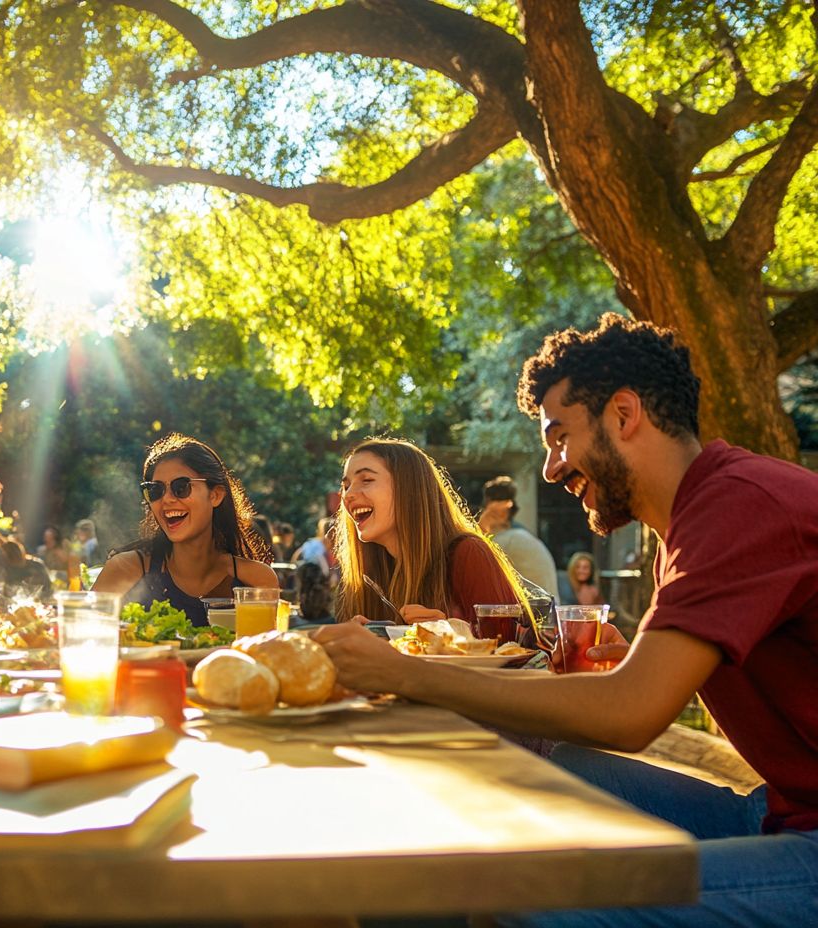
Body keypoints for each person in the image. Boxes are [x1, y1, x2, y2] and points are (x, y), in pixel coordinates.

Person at [316, 314, 818, 925]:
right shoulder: (687, 528)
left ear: (624, 415)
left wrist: (404, 672)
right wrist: (632, 662)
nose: (551, 467)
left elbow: (631, 714)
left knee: (529, 894)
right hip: (778, 808)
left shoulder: (737, 504)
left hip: (807, 841)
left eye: (558, 436)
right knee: (546, 771)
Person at [334, 439, 531, 628]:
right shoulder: (365, 577)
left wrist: (450, 633)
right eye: (345, 485)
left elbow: (519, 648)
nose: (348, 495)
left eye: (366, 480)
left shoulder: (467, 553)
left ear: (410, 488)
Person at [91, 433, 277, 626]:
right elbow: (83, 638)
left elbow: (262, 651)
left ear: (215, 495)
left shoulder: (256, 581)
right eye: (155, 490)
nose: (167, 499)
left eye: (181, 487)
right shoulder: (125, 570)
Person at [479, 475, 561, 602]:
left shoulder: (505, 541)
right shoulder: (522, 535)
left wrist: (481, 527)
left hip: (536, 616)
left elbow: (477, 569)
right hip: (547, 612)